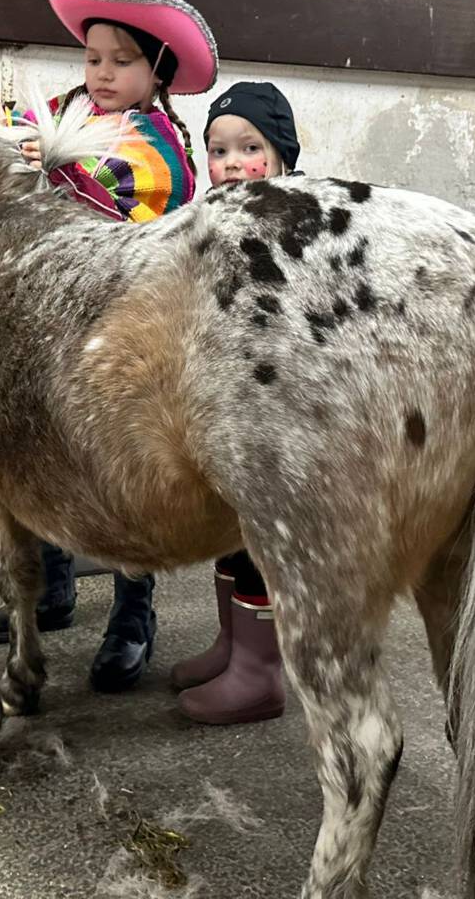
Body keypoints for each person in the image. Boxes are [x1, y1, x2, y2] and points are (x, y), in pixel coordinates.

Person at [0, 0, 219, 691]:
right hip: (49, 321)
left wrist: (34, 156)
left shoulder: (160, 143)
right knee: (41, 449)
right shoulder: (70, 108)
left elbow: (109, 181)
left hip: (126, 326)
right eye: (93, 57)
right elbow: (15, 135)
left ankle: (133, 611)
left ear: (159, 70)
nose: (103, 73)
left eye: (122, 61)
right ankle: (50, 586)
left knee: (122, 470)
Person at [170, 81, 299, 724]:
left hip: (270, 415)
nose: (229, 164)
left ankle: (260, 674)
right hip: (227, 405)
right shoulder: (214, 220)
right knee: (229, 531)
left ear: (281, 160)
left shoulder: (288, 225)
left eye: (250, 148)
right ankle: (232, 645)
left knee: (257, 538)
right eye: (217, 150)